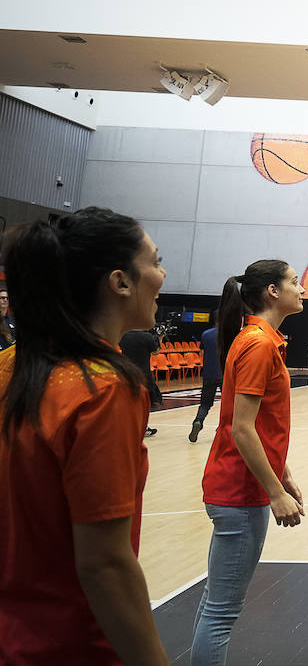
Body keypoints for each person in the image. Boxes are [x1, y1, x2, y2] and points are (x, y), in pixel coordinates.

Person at [0, 207, 170, 665]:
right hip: (75, 645)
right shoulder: (104, 388)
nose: (163, 273)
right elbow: (104, 564)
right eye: (155, 260)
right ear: (120, 282)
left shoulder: (10, 366)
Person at [194, 260, 306, 666]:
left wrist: (283, 473)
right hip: (240, 493)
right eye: (294, 281)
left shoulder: (261, 339)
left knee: (214, 604)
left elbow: (260, 424)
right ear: (272, 292)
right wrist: (274, 492)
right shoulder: (259, 344)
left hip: (239, 488)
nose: (302, 288)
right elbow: (242, 429)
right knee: (221, 611)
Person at [119, 326, 162, 438]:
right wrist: (160, 338)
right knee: (144, 403)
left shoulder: (124, 336)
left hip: (126, 374)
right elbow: (156, 352)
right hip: (143, 375)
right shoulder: (146, 337)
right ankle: (143, 428)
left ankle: (127, 427)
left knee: (129, 402)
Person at [189, 321, 222, 443]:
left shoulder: (206, 334)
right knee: (229, 404)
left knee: (205, 403)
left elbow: (202, 353)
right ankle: (222, 429)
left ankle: (198, 421)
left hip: (209, 373)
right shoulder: (230, 334)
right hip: (225, 374)